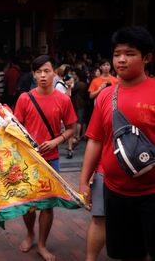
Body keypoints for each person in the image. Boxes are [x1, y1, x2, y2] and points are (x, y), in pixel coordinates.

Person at [79, 26, 155, 261]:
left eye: (130, 53)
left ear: (147, 58)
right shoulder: (105, 95)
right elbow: (95, 140)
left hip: (152, 192)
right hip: (115, 192)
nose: (121, 60)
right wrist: (84, 181)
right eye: (117, 54)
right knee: (125, 252)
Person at [14, 55, 77, 261]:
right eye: (38, 71)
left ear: (54, 73)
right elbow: (15, 128)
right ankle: (30, 233)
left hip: (51, 159)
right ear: (33, 74)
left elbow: (71, 128)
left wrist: (56, 141)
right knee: (28, 203)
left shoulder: (64, 100)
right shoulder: (25, 98)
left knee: (48, 205)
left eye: (47, 71)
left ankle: (42, 244)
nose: (43, 75)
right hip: (28, 160)